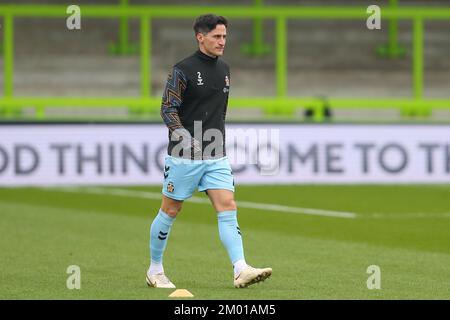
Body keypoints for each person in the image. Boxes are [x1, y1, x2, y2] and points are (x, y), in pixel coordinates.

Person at [146, 14, 272, 289]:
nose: (222, 41)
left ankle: (241, 269)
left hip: (216, 154)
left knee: (228, 206)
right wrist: (182, 135)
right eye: (216, 36)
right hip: (183, 155)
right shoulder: (182, 69)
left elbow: (220, 112)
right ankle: (155, 270)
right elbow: (167, 108)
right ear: (200, 37)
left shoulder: (225, 68)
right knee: (170, 210)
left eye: (224, 36)